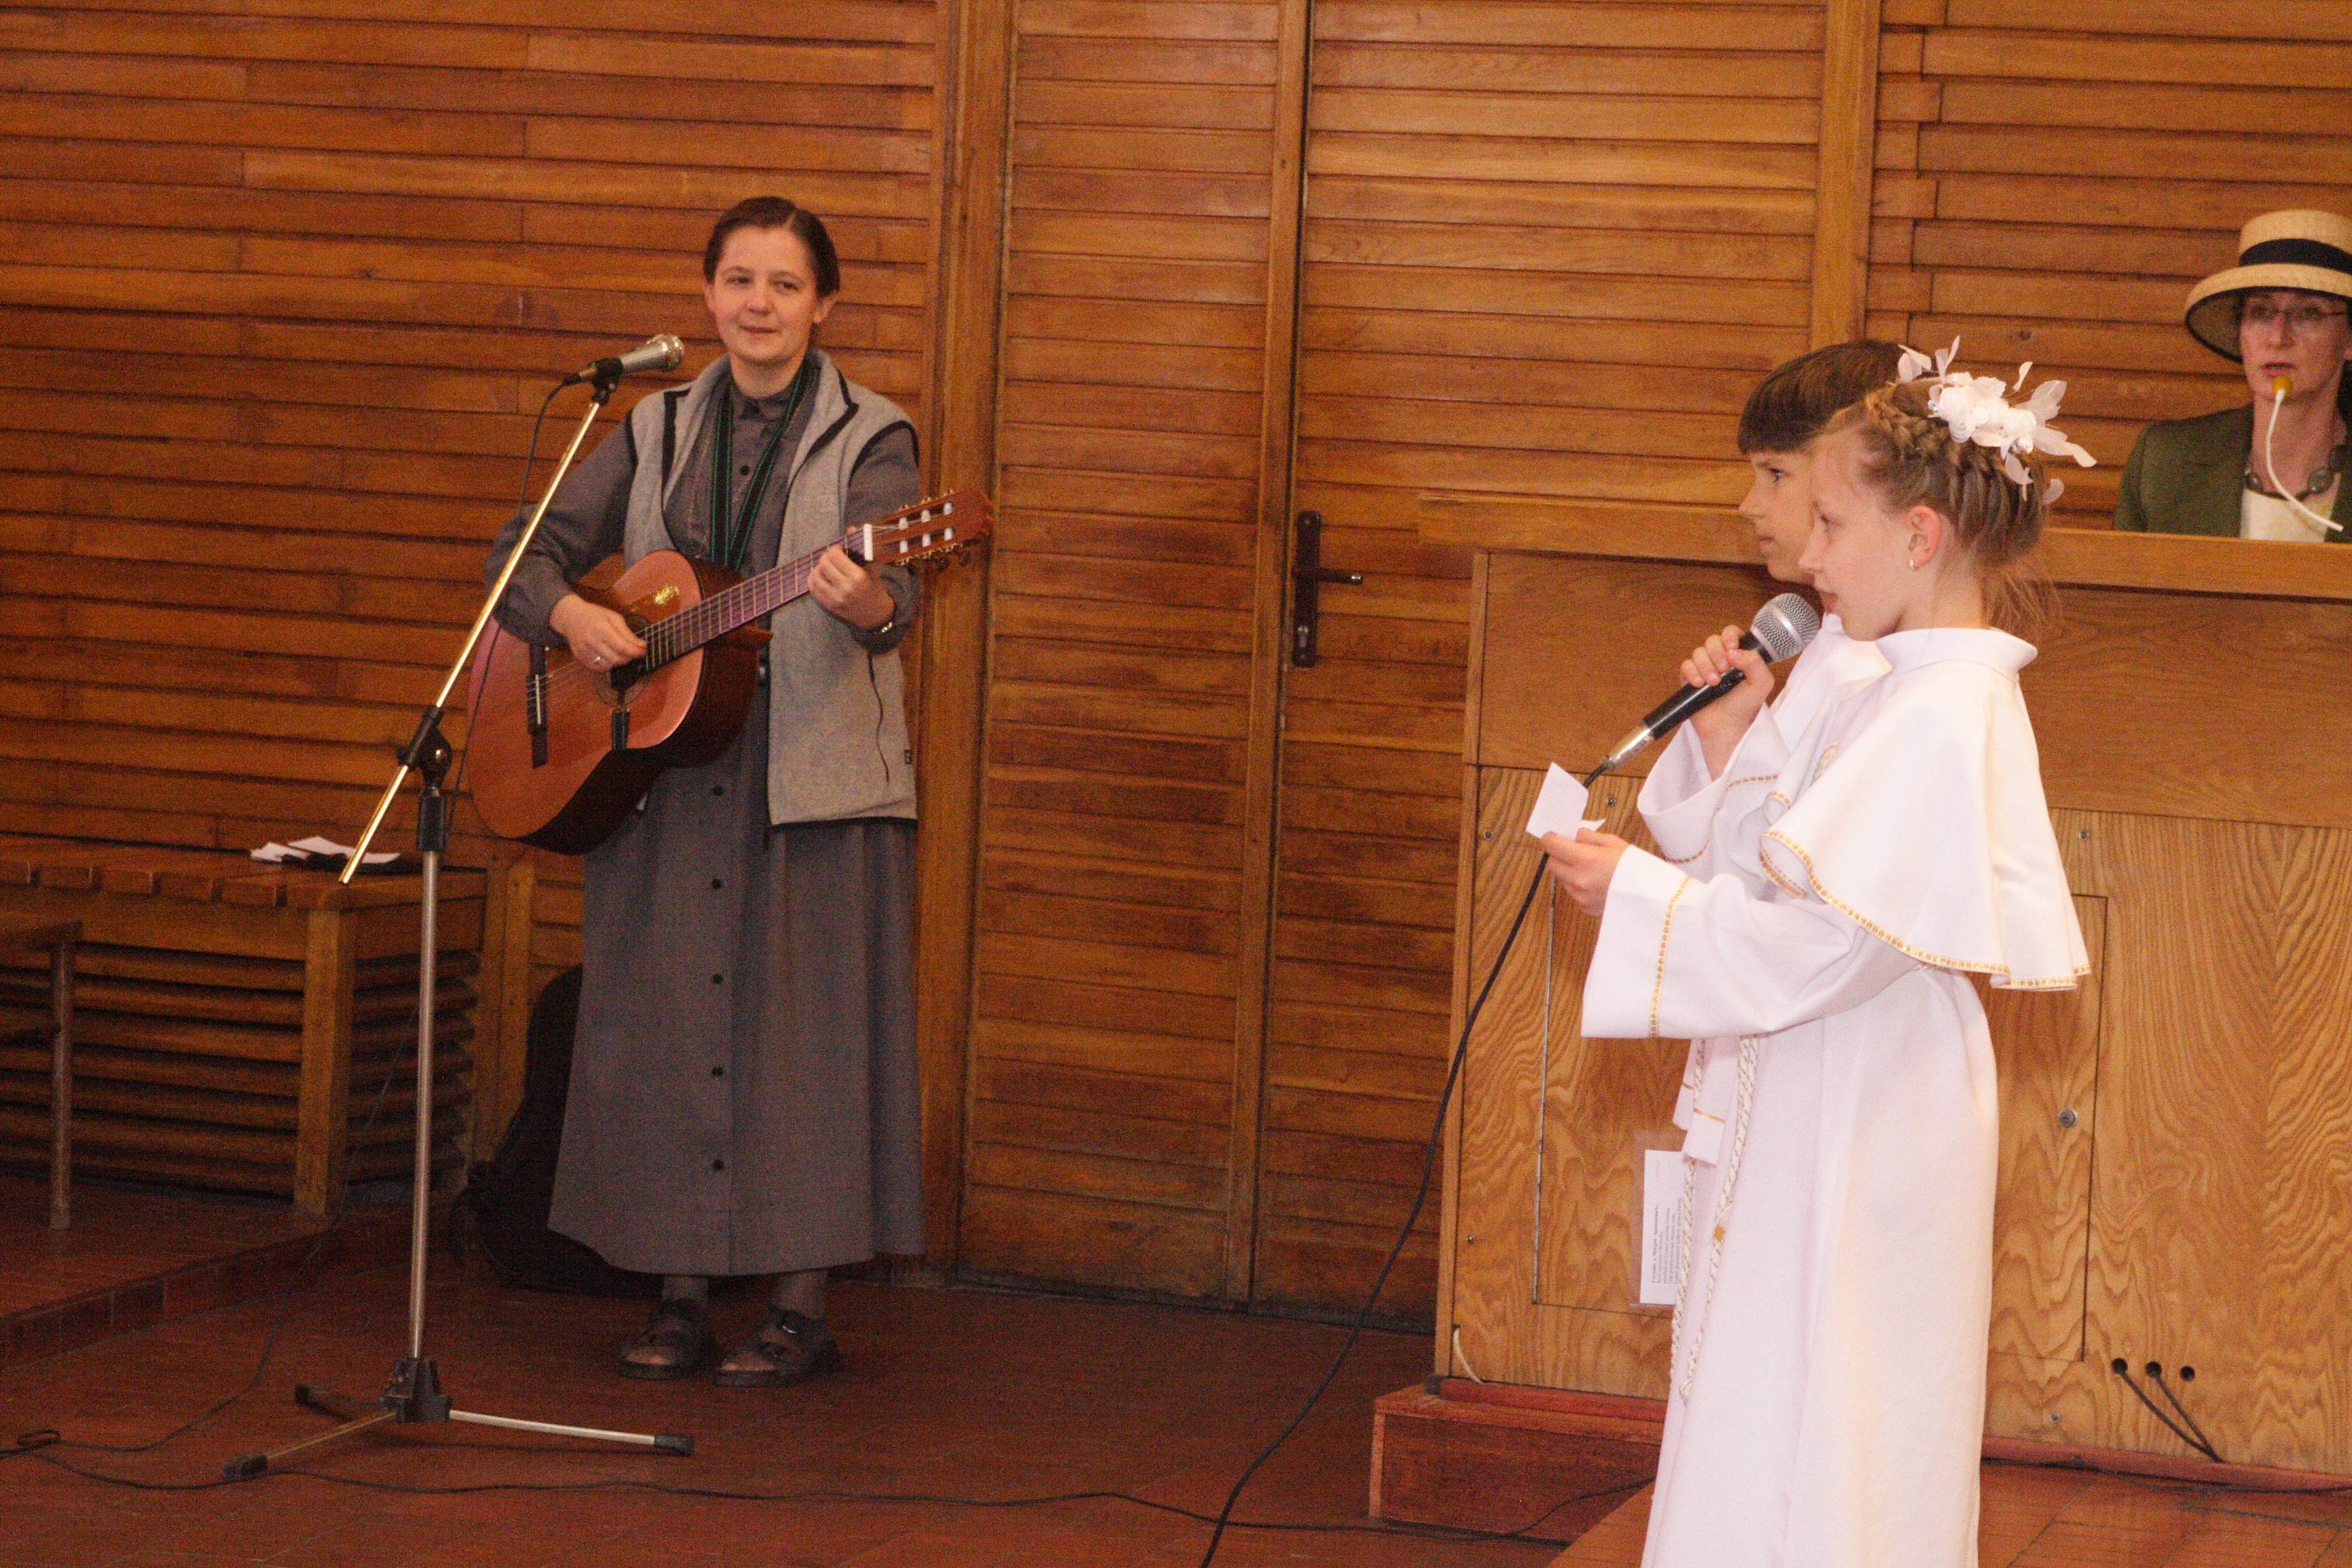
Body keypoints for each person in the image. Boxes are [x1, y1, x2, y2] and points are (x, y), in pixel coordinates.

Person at [1544, 350, 2091, 1567]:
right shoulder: (1883, 681)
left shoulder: (1944, 711)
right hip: (1814, 1078)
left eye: (1833, 523)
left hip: (1865, 1092)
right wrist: (1728, 744)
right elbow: (1776, 871)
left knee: (1835, 1399)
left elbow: (1823, 951)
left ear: (1919, 534)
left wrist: (1636, 894)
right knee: (1768, 1384)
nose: (1811, 554)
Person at [484, 196, 926, 1386]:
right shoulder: (654, 423)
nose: (758, 304)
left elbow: (901, 601)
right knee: (666, 1034)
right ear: (708, 294)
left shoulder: (876, 435)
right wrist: (572, 617)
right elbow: (523, 553)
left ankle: (798, 1309)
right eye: (738, 280)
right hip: (659, 768)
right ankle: (677, 1298)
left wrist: (870, 601)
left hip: (812, 780)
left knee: (810, 1049)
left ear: (824, 305)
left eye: (785, 284)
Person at [2115, 208, 2352, 542]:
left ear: (2348, 340)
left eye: (2309, 313)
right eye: (2260, 312)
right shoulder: (2165, 461)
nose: (2278, 338)